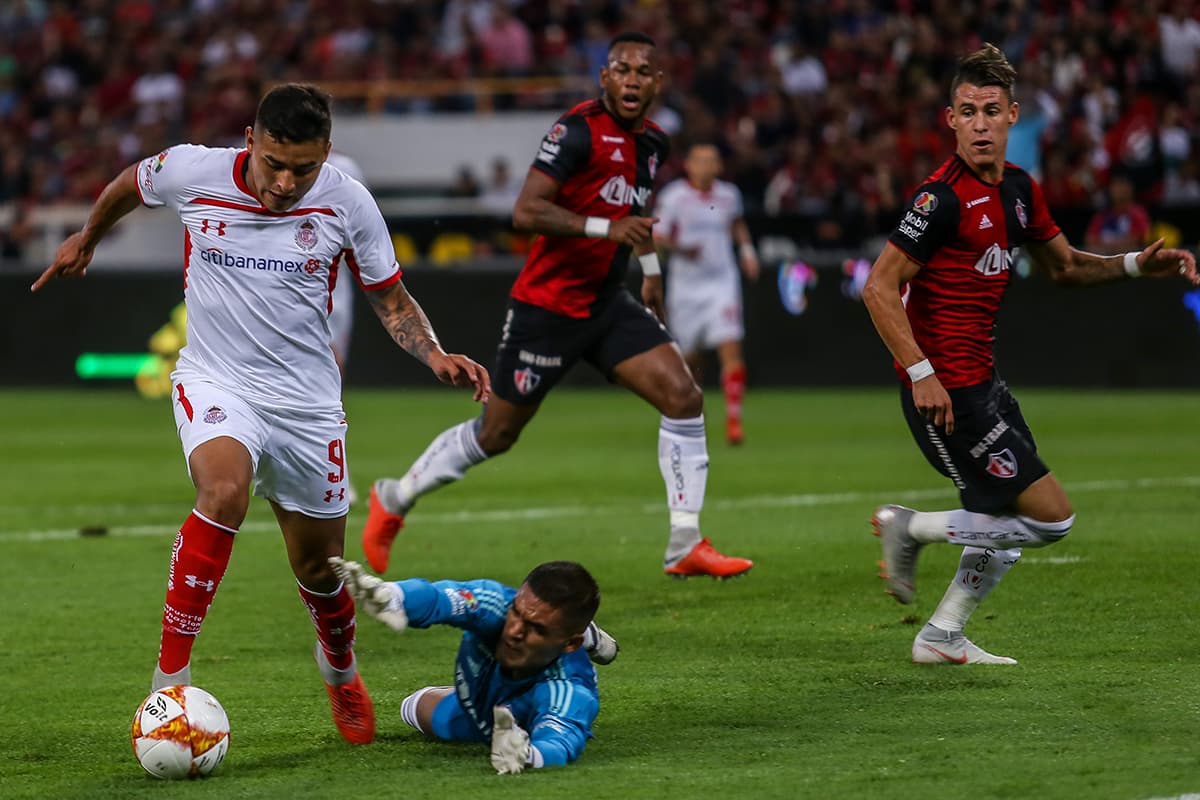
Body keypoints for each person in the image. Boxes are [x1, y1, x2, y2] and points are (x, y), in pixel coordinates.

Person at [30, 84, 491, 743]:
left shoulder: (347, 200)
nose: (284, 180)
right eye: (274, 162)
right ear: (251, 138)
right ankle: (169, 688)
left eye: (302, 168)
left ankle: (338, 667)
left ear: (325, 154)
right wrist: (89, 235)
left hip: (306, 403)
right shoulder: (194, 169)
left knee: (319, 569)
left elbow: (391, 301)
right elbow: (132, 182)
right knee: (222, 493)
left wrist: (436, 354)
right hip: (217, 379)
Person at [362, 32, 753, 580]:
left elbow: (636, 219)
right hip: (546, 308)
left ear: (658, 81)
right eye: (622, 69)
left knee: (684, 396)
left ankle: (685, 541)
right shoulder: (576, 131)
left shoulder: (655, 144)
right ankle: (394, 498)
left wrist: (652, 273)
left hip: (606, 303)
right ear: (605, 77)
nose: (632, 80)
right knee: (495, 434)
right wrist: (606, 228)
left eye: (644, 71)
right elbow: (526, 212)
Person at [862, 44, 1198, 665]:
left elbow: (1065, 266)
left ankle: (941, 636)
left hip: (984, 384)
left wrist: (1131, 264)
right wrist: (920, 373)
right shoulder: (940, 201)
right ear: (951, 120)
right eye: (969, 111)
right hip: (946, 397)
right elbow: (878, 287)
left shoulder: (1019, 190)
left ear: (1014, 115)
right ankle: (908, 526)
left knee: (1008, 524)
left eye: (992, 110)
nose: (981, 123)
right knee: (1051, 520)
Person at [329, 556, 617, 773]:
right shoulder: (497, 605)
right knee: (412, 706)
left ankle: (522, 715)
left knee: (439, 718)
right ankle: (580, 632)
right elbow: (442, 597)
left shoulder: (568, 689)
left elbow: (561, 743)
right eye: (517, 612)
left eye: (536, 628)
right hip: (483, 698)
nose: (514, 631)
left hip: (515, 714)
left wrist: (527, 755)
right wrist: (393, 597)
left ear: (569, 644)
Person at [653, 142, 760, 445]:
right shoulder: (673, 197)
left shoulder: (729, 195)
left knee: (730, 347)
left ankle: (734, 421)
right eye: (700, 161)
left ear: (719, 166)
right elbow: (657, 237)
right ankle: (693, 415)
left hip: (721, 282)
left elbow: (737, 223)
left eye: (712, 161)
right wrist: (680, 248)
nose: (707, 166)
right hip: (685, 287)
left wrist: (748, 251)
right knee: (688, 360)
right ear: (688, 165)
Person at [1083, 172, 1151, 254]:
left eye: (1122, 184)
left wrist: (1107, 246)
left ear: (1130, 188)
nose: (1119, 189)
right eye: (1115, 185)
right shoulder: (1102, 215)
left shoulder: (1138, 214)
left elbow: (1136, 241)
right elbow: (1090, 241)